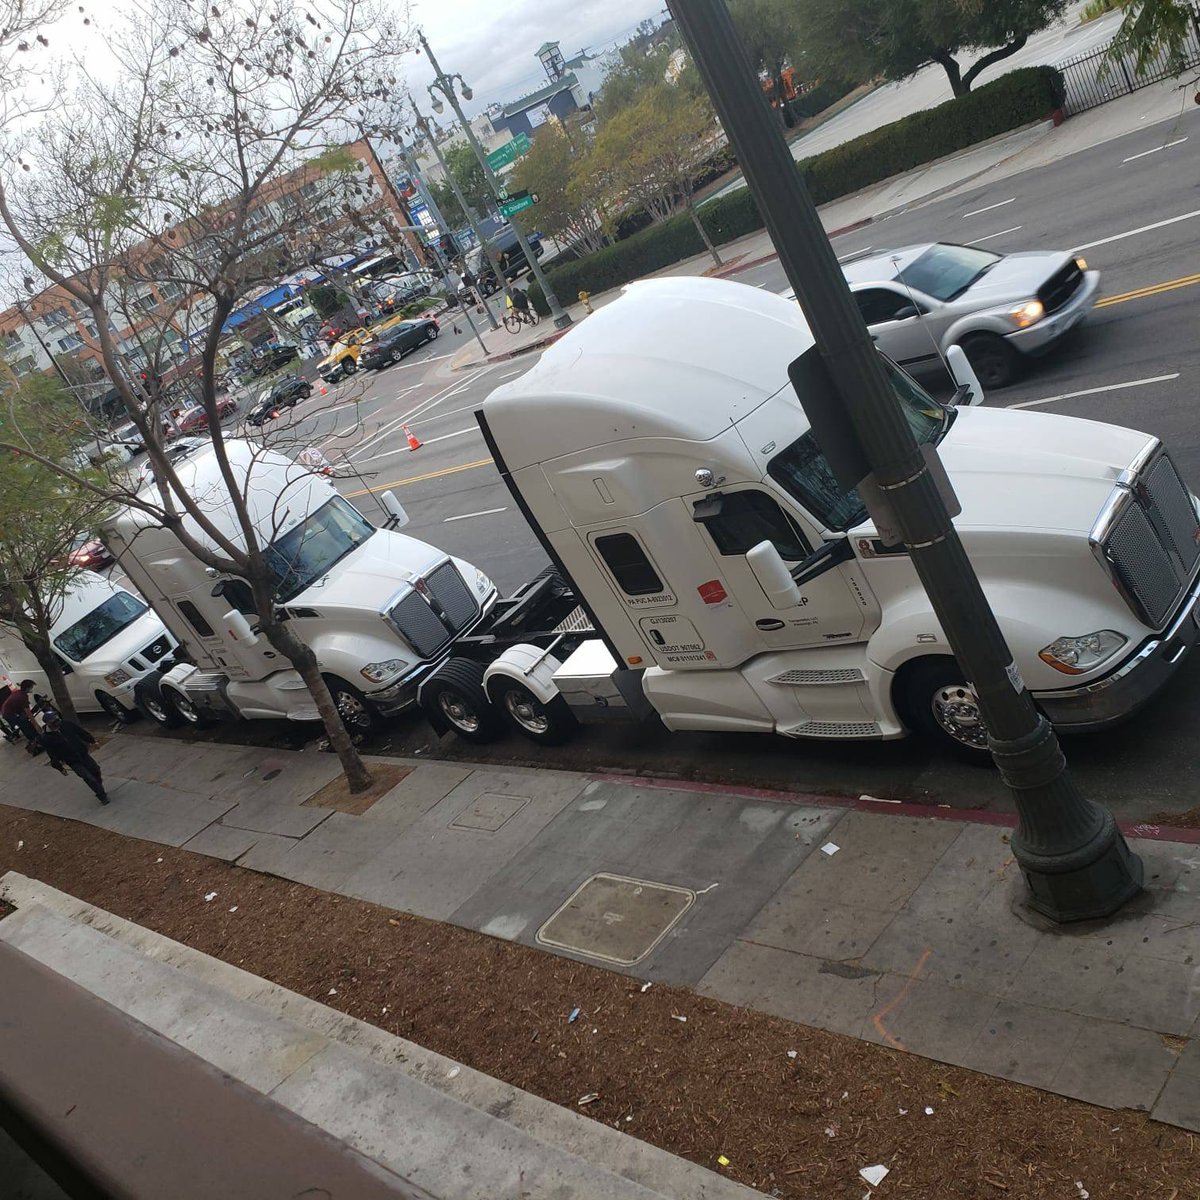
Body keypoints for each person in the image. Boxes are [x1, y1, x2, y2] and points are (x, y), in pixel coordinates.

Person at [40, 711, 108, 804]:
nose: (57, 723)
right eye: (53, 722)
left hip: (83, 754)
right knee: (88, 777)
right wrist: (60, 767)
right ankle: (102, 796)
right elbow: (52, 754)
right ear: (47, 723)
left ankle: (98, 785)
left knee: (95, 770)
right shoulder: (46, 738)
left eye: (57, 719)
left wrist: (92, 741)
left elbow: (81, 732)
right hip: (72, 761)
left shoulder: (66, 724)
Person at [1, 679, 43, 756]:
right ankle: (34, 743)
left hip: (10, 711)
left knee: (26, 723)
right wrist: (36, 726)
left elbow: (26, 711)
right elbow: (29, 714)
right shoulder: (22, 697)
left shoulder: (19, 693)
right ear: (27, 688)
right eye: (31, 687)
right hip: (9, 714)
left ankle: (36, 741)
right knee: (26, 726)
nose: (32, 689)